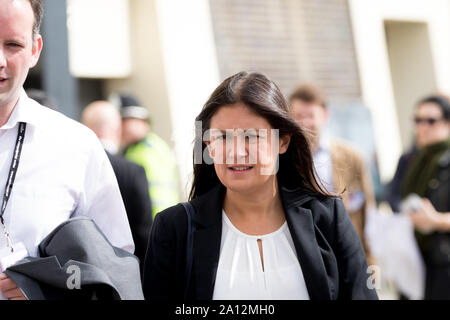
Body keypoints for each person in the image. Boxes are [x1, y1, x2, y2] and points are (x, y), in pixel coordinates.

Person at [143, 72, 378, 300]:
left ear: (283, 141)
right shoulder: (174, 229)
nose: (236, 152)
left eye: (251, 136)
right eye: (222, 137)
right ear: (209, 146)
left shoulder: (327, 217)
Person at [0, 0, 134, 300]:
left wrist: (51, 289)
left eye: (12, 44)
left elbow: (114, 266)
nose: (0, 58)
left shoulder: (76, 145)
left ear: (35, 49)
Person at [289, 84, 376, 266]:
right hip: (305, 252)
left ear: (325, 115)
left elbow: (367, 209)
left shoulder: (352, 157)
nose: (304, 123)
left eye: (310, 116)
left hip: (348, 247)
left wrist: (370, 256)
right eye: (298, 117)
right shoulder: (284, 161)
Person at [82, 101, 153, 269]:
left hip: (84, 271)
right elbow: (144, 231)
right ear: (117, 128)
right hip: (126, 268)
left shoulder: (74, 167)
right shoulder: (132, 170)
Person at [400, 94, 450, 299]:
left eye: (431, 120)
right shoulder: (414, 160)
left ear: (447, 123)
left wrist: (436, 220)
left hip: (443, 264)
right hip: (416, 260)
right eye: (418, 120)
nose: (423, 126)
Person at [114, 94, 180, 218]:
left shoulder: (147, 150)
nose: (120, 128)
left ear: (139, 120)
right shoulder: (150, 146)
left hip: (155, 224)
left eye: (123, 121)